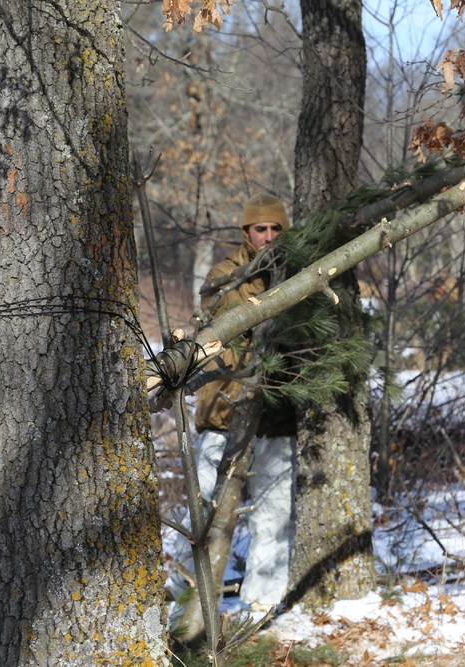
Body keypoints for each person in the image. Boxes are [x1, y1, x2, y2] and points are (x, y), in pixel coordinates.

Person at [174, 193, 297, 611]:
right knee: (201, 512)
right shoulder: (226, 274)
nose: (267, 236)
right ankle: (173, 596)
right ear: (246, 231)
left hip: (276, 417)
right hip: (223, 413)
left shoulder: (297, 273)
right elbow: (231, 313)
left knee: (273, 518)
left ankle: (261, 609)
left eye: (275, 228)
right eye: (260, 229)